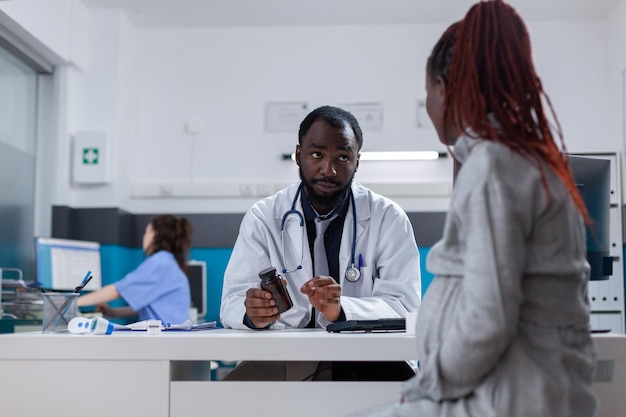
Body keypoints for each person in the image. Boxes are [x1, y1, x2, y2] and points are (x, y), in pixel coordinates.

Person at [350, 1, 598, 416]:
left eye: (427, 91)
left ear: (443, 89)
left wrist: (427, 385)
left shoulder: (492, 165)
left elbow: (489, 318)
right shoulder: (530, 159)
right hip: (519, 392)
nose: (428, 105)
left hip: (506, 400)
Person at [220, 105, 421, 381]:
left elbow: (405, 308)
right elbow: (232, 301)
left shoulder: (388, 218)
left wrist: (342, 309)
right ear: (298, 154)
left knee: (404, 394)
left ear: (357, 162)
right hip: (286, 356)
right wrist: (253, 313)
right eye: (317, 155)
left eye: (342, 157)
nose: (329, 170)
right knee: (232, 392)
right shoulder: (264, 217)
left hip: (367, 356)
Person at [78, 214, 193, 325]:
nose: (144, 237)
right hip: (174, 336)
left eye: (147, 232)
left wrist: (73, 303)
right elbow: (152, 307)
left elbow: (116, 291)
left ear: (156, 235)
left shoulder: (160, 263)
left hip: (167, 338)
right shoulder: (170, 262)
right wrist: (113, 312)